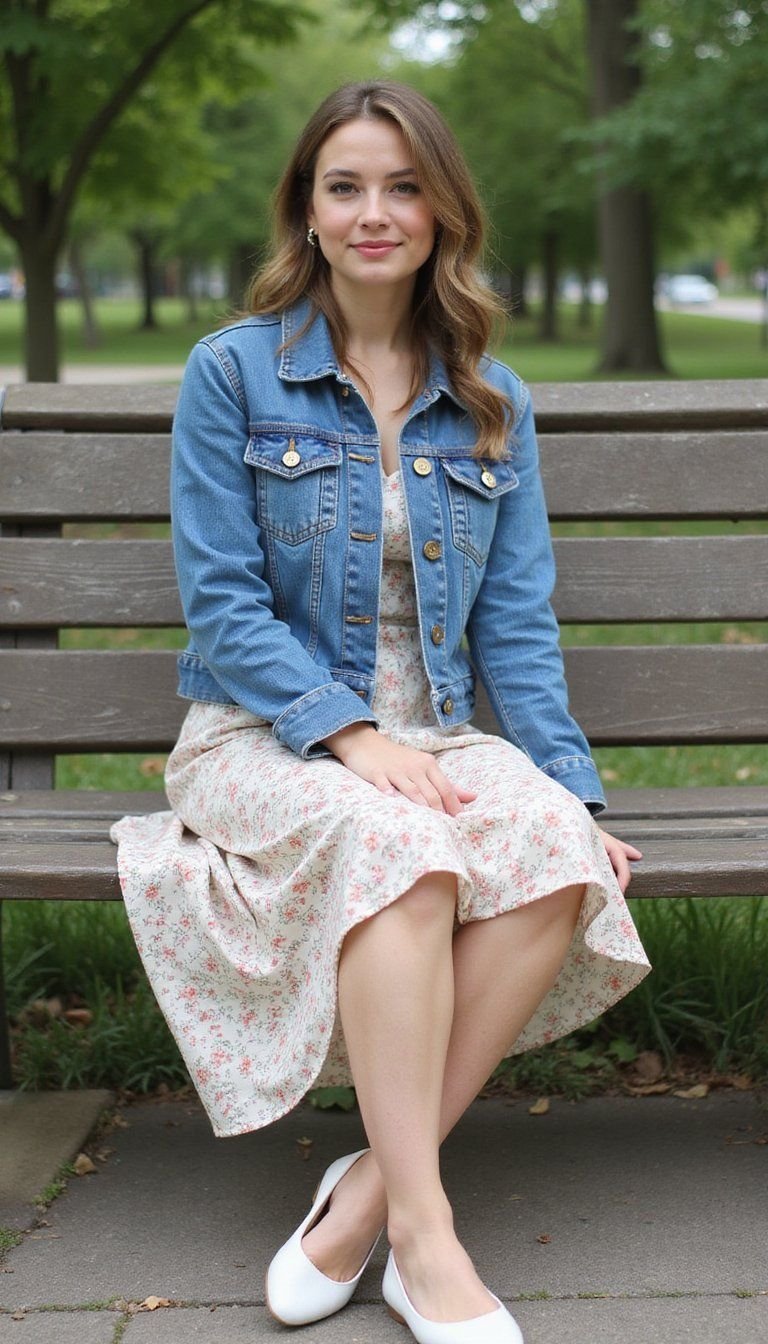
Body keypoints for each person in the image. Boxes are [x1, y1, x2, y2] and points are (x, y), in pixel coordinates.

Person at [111, 80, 650, 1344]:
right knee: (402, 847)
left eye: (403, 186)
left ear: (442, 209)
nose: (374, 212)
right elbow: (223, 607)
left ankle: (360, 1198)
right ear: (307, 205)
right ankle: (426, 1231)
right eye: (346, 185)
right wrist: (353, 738)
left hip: (441, 728)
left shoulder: (492, 396)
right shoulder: (233, 374)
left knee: (558, 856)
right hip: (265, 730)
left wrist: (566, 789)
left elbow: (515, 626)